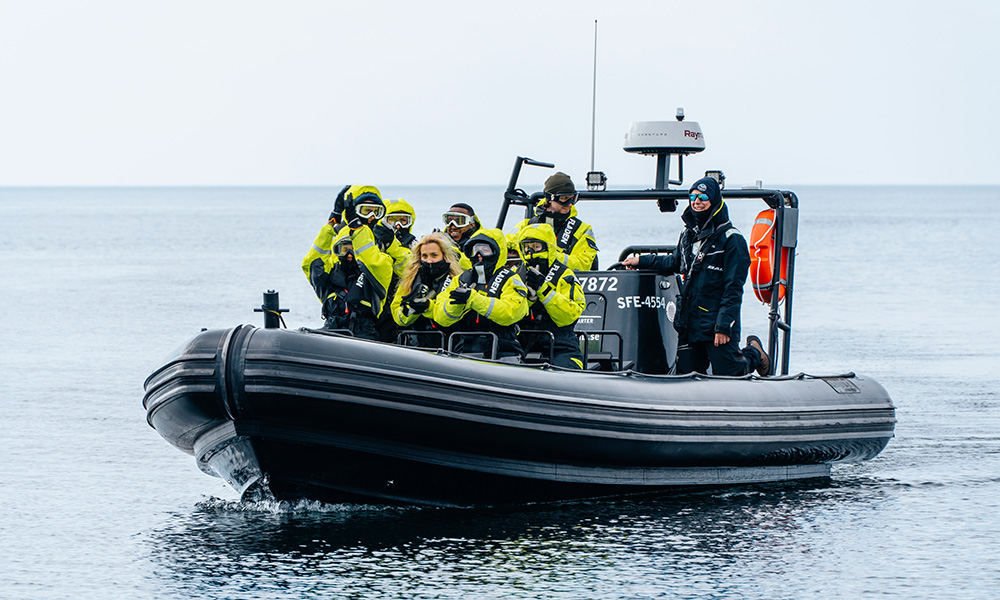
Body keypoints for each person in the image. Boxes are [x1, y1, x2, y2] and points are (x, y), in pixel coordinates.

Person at [622, 176, 771, 376]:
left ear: (714, 201)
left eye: (703, 197)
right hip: (690, 321)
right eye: (693, 197)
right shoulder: (688, 235)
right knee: (686, 374)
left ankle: (755, 353)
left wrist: (724, 326)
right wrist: (641, 261)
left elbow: (733, 288)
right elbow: (675, 262)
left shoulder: (732, 240)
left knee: (730, 371)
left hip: (716, 321)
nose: (697, 201)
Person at [301, 185, 394, 340]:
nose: (350, 255)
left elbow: (372, 260)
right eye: (345, 249)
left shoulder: (378, 274)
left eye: (354, 249)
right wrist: (332, 222)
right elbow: (312, 262)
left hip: (365, 334)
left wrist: (356, 227)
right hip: (331, 331)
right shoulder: (329, 277)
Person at [433, 228, 528, 361]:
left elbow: (510, 313)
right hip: (465, 349)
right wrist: (457, 305)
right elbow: (441, 317)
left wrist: (473, 299)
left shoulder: (511, 280)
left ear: (496, 252)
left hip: (503, 350)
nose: (479, 254)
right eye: (475, 249)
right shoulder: (460, 279)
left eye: (485, 250)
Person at [515, 223, 586, 369]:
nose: (530, 252)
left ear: (548, 247)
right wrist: (529, 299)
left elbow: (569, 315)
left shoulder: (564, 275)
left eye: (536, 247)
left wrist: (544, 290)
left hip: (561, 344)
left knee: (567, 373)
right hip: (522, 342)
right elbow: (510, 312)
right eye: (527, 247)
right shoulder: (517, 275)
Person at [390, 232, 464, 347]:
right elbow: (398, 316)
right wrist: (411, 309)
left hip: (449, 345)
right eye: (425, 256)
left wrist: (428, 307)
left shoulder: (457, 279)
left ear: (444, 256)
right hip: (416, 344)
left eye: (434, 255)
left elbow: (453, 315)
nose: (429, 260)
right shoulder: (410, 280)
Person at [517, 172, 599, 272]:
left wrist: (549, 256)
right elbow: (505, 251)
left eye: (572, 198)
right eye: (564, 199)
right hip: (529, 284)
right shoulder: (526, 225)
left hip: (567, 284)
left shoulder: (583, 230)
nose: (570, 204)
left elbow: (583, 264)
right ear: (550, 198)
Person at [442, 203, 479, 270]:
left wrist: (454, 254)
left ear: (471, 224)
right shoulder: (440, 242)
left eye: (460, 221)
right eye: (449, 220)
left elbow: (477, 270)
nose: (453, 226)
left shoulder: (482, 244)